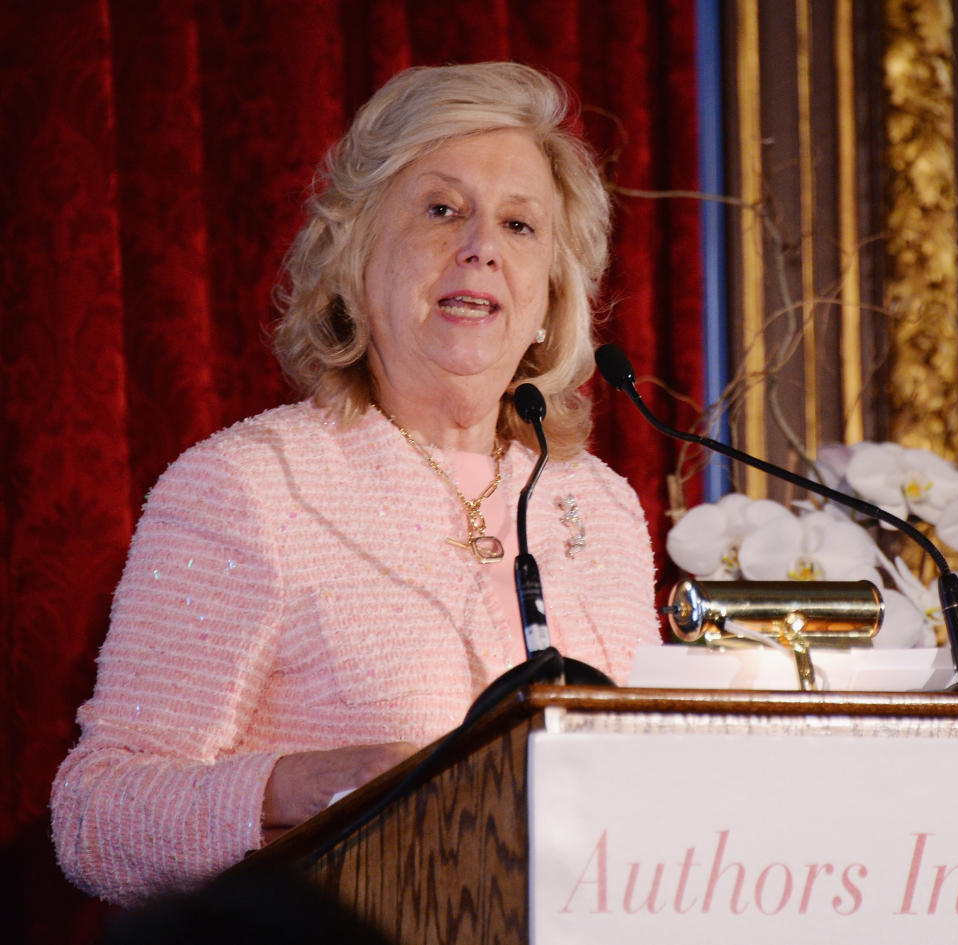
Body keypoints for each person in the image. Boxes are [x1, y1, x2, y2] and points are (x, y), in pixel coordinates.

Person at [51, 61, 659, 907]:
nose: (482, 244)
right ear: (356, 254)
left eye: (520, 225)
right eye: (443, 209)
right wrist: (294, 786)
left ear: (553, 298)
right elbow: (93, 817)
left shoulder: (597, 505)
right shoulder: (249, 487)